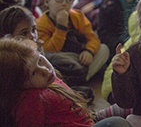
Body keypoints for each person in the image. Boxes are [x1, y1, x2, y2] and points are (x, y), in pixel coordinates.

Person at [0, 37, 130, 127]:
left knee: (129, 107)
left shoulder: (48, 80)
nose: (44, 70)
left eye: (40, 60)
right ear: (19, 84)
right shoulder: (31, 100)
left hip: (88, 120)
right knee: (118, 123)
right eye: (33, 73)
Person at [37, 0, 109, 84]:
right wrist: (61, 27)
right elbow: (50, 51)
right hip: (61, 59)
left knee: (103, 49)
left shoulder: (77, 16)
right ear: (47, 2)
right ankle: (78, 79)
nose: (64, 3)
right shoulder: (41, 23)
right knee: (57, 60)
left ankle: (79, 80)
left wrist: (89, 51)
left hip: (78, 56)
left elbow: (93, 38)